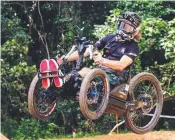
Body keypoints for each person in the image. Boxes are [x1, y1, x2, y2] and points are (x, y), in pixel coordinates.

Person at [40, 11, 142, 98]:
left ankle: (63, 79)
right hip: (100, 72)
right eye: (121, 24)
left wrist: (102, 60)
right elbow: (88, 51)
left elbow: (121, 66)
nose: (122, 28)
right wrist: (65, 59)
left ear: (134, 31)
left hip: (116, 78)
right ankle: (56, 84)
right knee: (78, 74)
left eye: (127, 27)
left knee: (86, 71)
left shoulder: (133, 47)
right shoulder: (110, 37)